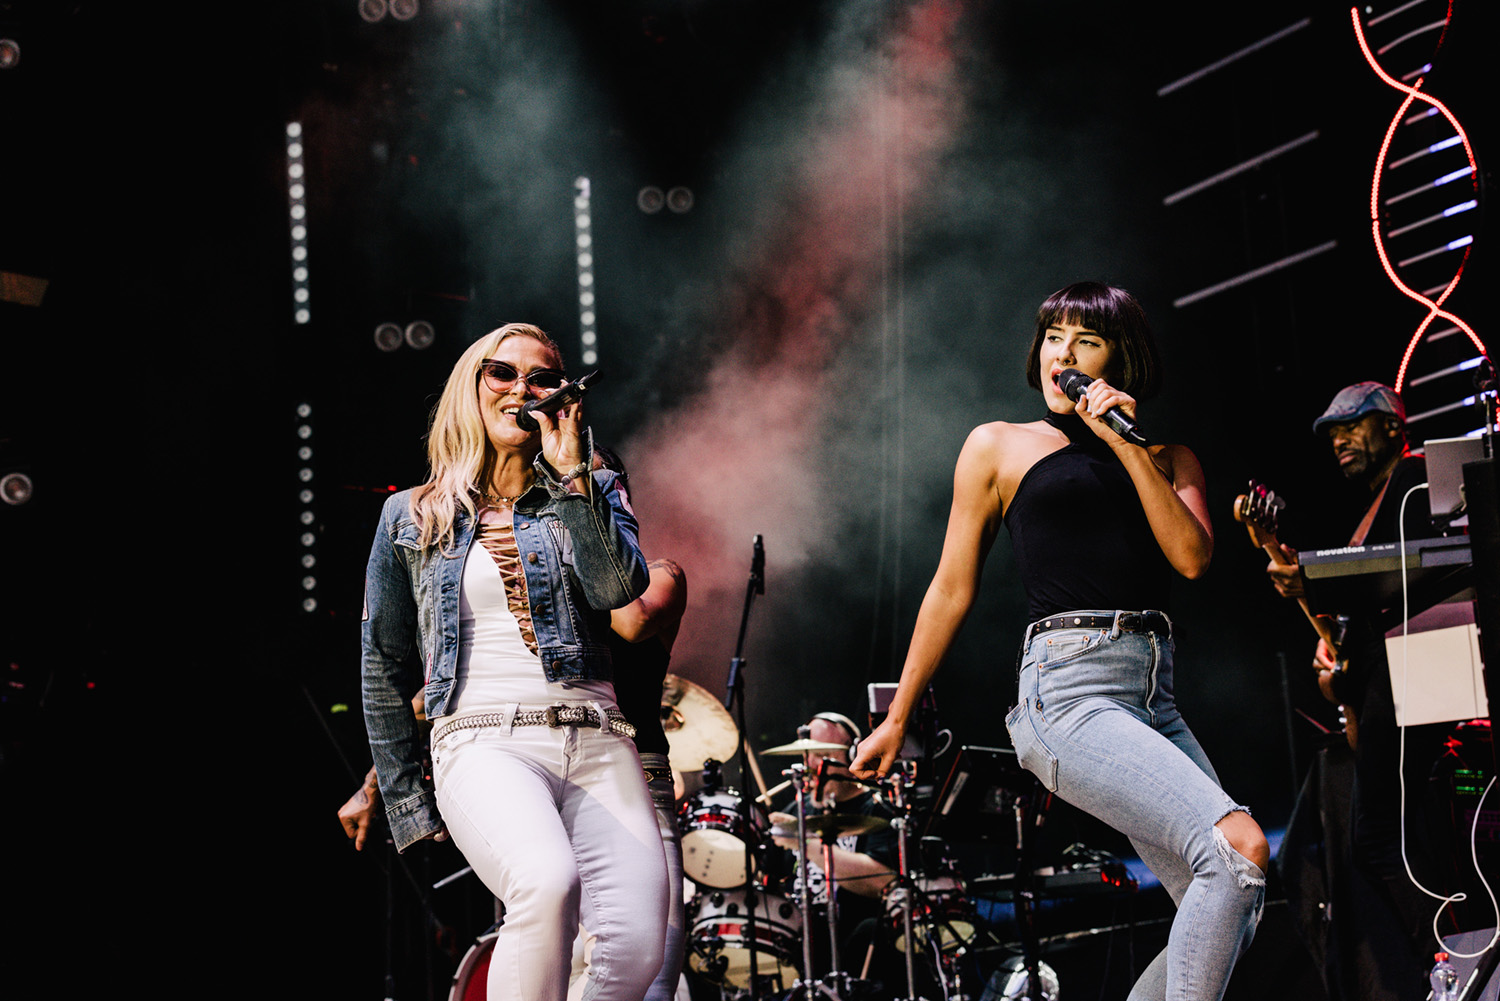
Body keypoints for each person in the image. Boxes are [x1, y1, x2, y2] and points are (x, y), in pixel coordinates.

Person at [850, 282, 1268, 1001]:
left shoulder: (1168, 458)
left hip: (1154, 699)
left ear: (1120, 361)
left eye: (1086, 341)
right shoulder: (998, 445)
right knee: (1239, 847)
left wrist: (1125, 444)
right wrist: (897, 715)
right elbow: (950, 588)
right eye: (1053, 337)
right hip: (1068, 692)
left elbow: (1192, 558)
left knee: (1238, 894)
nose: (1063, 355)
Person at [360, 322, 668, 1001]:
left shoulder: (594, 485)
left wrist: (573, 476)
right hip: (483, 740)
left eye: (542, 378)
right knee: (545, 881)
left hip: (598, 738)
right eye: (502, 373)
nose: (521, 389)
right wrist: (405, 795)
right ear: (471, 386)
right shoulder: (410, 515)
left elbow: (618, 590)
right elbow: (382, 662)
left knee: (635, 944)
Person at [1262, 382, 1454, 1000]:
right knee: (1387, 837)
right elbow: (1376, 594)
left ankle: (1451, 960)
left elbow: (1422, 567)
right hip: (1393, 677)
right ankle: (1443, 961)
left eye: (1353, 425)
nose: (1339, 439)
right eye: (1331, 433)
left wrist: (1317, 579)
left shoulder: (1417, 481)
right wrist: (1337, 643)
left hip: (1425, 669)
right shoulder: (1377, 506)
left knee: (1385, 836)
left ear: (1394, 426)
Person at [569, 444, 690, 1001]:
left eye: (588, 485)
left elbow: (631, 622)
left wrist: (589, 532)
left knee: (650, 973)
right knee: (564, 967)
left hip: (639, 778)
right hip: (560, 778)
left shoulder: (662, 575)